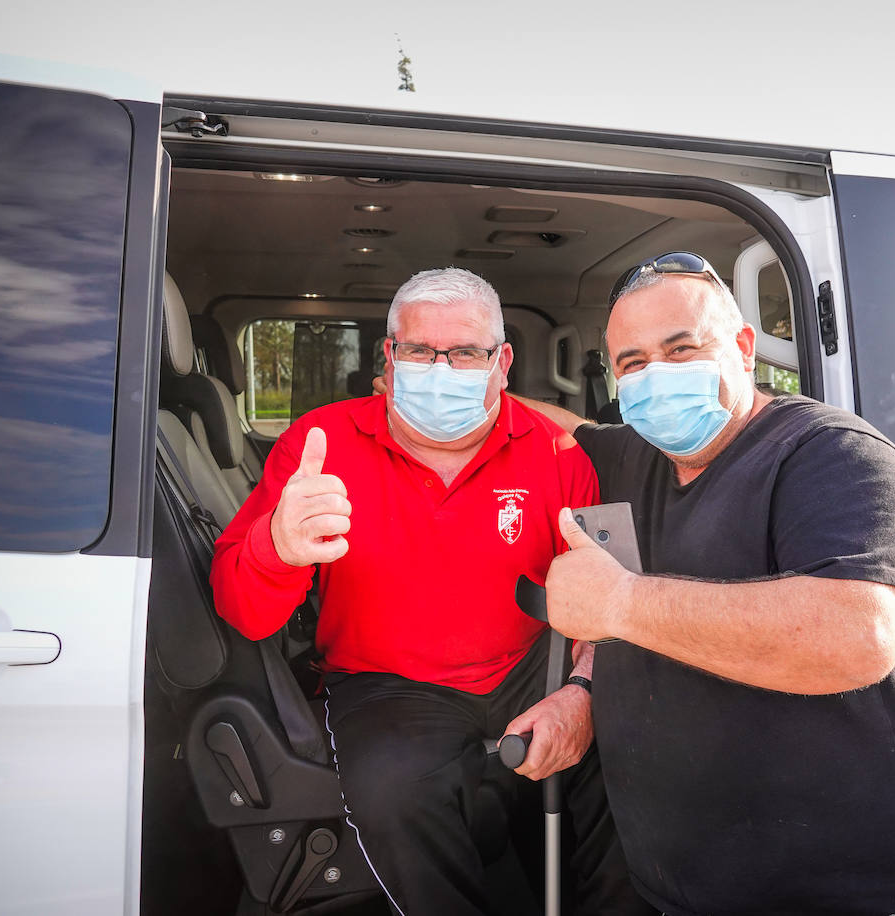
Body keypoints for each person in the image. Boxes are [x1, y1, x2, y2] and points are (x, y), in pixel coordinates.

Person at [527, 252, 895, 916]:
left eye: (682, 348)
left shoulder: (832, 455)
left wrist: (619, 603)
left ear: (744, 349)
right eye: (634, 363)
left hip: (867, 889)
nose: (658, 376)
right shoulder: (634, 457)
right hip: (697, 883)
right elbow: (545, 427)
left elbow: (856, 635)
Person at [210, 267, 650, 916]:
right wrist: (278, 547)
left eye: (466, 352)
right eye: (419, 350)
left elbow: (616, 606)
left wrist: (583, 694)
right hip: (385, 679)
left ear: (501, 362)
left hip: (530, 665)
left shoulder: (560, 454)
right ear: (388, 356)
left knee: (631, 753)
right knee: (395, 792)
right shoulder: (318, 445)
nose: (441, 368)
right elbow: (243, 615)